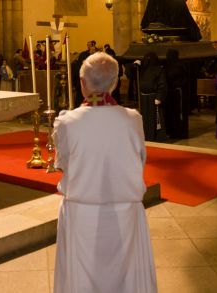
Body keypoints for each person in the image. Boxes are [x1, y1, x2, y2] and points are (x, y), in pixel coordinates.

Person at [52, 52, 157, 293]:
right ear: (116, 83)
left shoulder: (67, 122)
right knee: (127, 278)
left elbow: (62, 163)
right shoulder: (133, 119)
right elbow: (140, 158)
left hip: (81, 213)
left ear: (82, 83)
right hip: (126, 212)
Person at [138, 52, 167, 141]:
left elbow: (162, 84)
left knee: (154, 118)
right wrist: (135, 65)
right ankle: (146, 134)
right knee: (145, 117)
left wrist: (159, 97)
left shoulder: (159, 70)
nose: (147, 60)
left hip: (153, 98)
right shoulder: (142, 69)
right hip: (143, 98)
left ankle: (155, 136)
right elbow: (130, 74)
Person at [163, 49, 190, 139]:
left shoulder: (179, 66)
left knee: (179, 113)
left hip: (178, 93)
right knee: (171, 113)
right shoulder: (169, 65)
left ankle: (179, 133)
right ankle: (173, 131)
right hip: (172, 93)